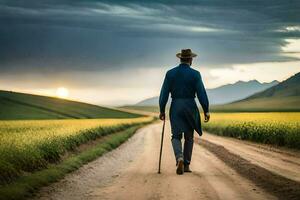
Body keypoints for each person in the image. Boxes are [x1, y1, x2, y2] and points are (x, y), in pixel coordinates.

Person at [159, 48, 210, 175]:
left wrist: (162, 110)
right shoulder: (195, 74)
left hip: (176, 106)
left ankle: (179, 158)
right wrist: (206, 110)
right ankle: (186, 164)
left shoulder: (170, 73)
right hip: (190, 106)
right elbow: (201, 93)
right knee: (189, 137)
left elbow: (164, 94)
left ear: (180, 58)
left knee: (176, 136)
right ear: (191, 60)